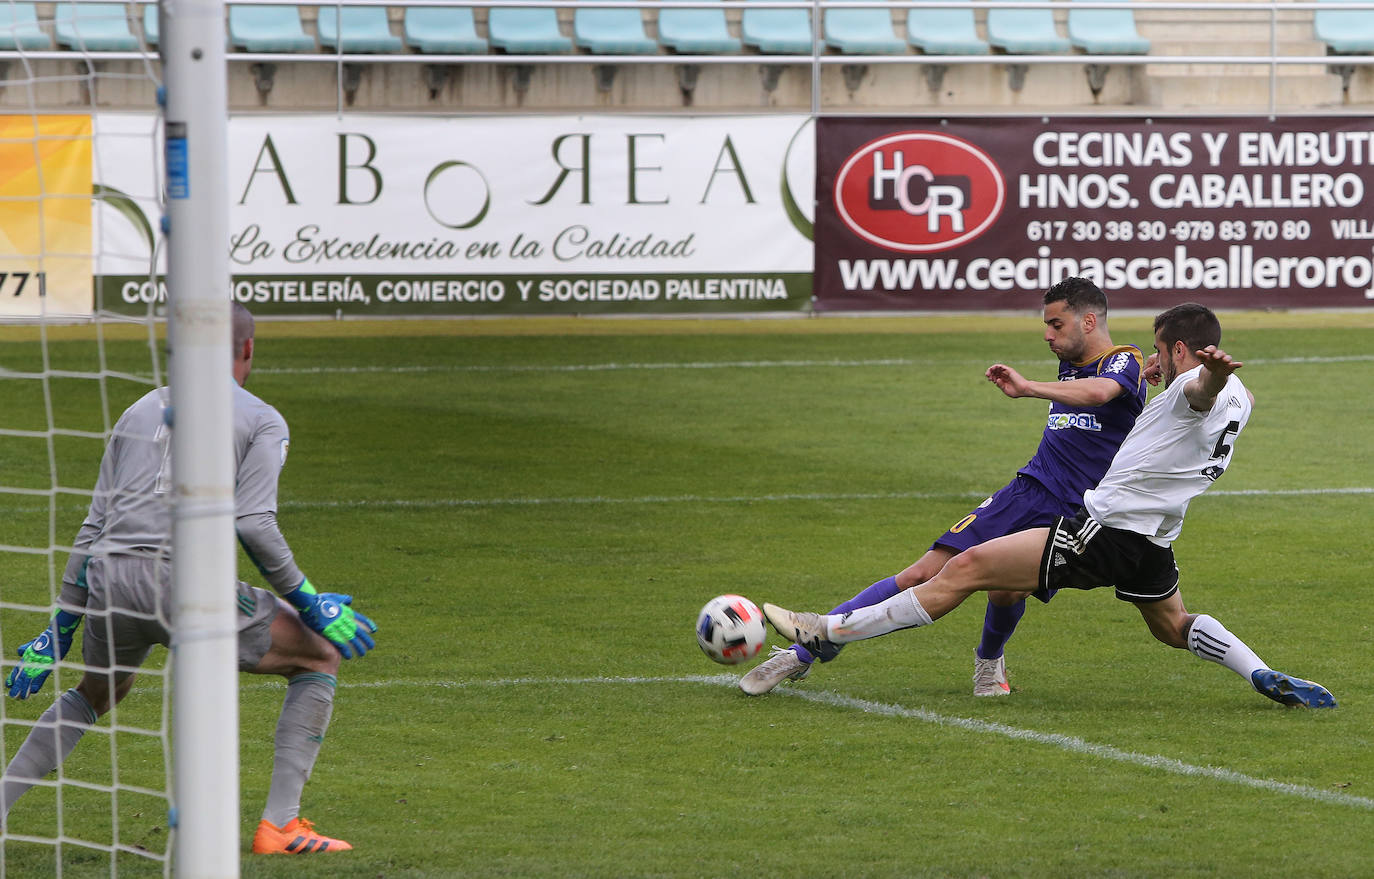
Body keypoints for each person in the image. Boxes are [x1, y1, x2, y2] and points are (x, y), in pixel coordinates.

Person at [763, 303, 1336, 709]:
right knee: (1173, 625)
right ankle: (1259, 671)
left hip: (1104, 530)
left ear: (1180, 351)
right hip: (1155, 541)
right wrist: (1201, 377)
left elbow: (1196, 393)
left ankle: (828, 632)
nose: (1152, 362)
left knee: (964, 569)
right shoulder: (1241, 397)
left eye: (1160, 350)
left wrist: (1200, 377)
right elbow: (1223, 394)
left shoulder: (1198, 390)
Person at [1, 302, 380, 854]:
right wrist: (309, 599)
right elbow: (253, 523)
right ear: (248, 349)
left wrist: (58, 626)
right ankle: (281, 826)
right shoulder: (259, 417)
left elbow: (93, 523)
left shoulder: (136, 409)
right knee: (320, 652)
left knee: (99, 691)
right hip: (179, 582)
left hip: (109, 578)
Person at [739, 277, 1146, 697]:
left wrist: (1028, 389)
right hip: (1027, 490)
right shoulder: (1074, 361)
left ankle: (988, 662)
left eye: (1056, 325)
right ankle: (800, 653)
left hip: (1075, 514)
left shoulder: (1126, 360)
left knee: (1007, 590)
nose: (1047, 334)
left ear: (1090, 320)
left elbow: (1101, 392)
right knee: (923, 570)